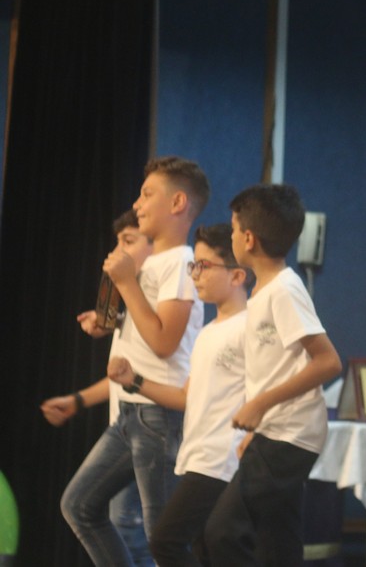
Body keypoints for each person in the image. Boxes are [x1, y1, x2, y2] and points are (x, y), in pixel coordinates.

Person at [53, 157, 209, 565]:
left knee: (163, 539)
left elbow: (165, 342)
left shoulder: (181, 262)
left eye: (147, 194)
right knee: (80, 505)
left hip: (158, 414)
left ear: (178, 203)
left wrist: (125, 281)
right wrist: (113, 320)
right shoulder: (155, 263)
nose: (137, 203)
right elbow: (147, 325)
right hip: (129, 412)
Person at [203, 184, 342, 566]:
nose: (232, 236)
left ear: (248, 239)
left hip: (290, 433)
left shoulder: (284, 289)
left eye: (234, 229)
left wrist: (261, 405)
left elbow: (328, 362)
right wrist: (258, 427)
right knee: (276, 542)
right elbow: (274, 367)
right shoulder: (265, 291)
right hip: (275, 431)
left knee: (222, 531)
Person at [105, 224, 250, 566]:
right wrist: (134, 381)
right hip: (196, 457)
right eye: (193, 266)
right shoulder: (208, 332)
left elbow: (268, 390)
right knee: (201, 550)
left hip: (223, 460)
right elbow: (187, 397)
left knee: (166, 542)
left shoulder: (249, 326)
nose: (195, 275)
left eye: (204, 266)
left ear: (236, 275)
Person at [40, 210, 157, 567]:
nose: (117, 251)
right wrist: (78, 400)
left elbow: (157, 369)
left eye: (129, 241)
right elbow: (123, 377)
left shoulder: (155, 303)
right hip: (126, 422)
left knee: (133, 533)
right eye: (117, 242)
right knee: (106, 519)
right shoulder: (135, 303)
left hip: (150, 424)